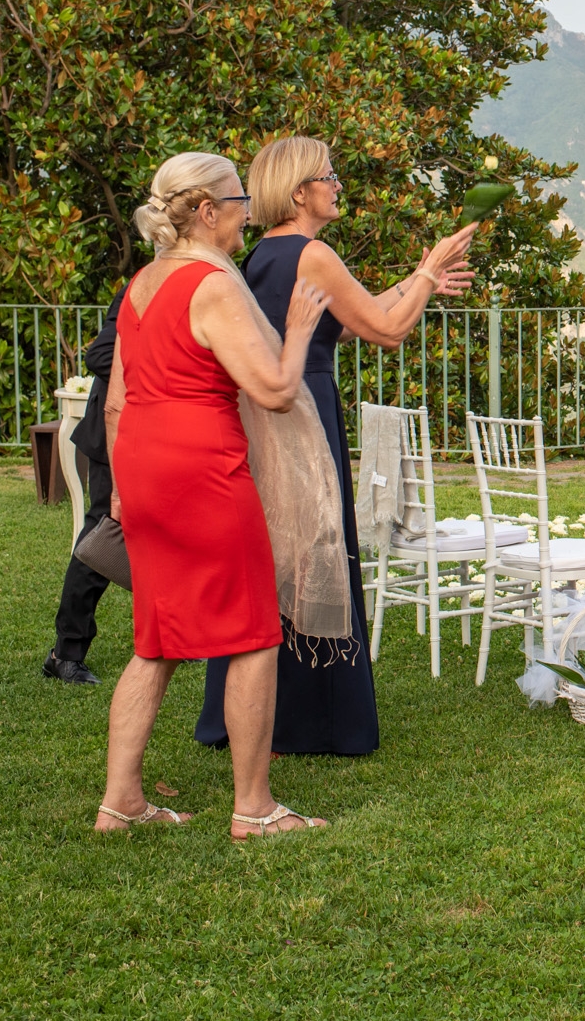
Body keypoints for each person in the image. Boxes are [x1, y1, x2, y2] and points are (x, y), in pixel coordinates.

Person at [196, 136, 475, 756]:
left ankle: (241, 713)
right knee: (317, 544)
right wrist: (428, 274)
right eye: (329, 175)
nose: (338, 183)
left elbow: (348, 321)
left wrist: (415, 278)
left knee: (275, 553)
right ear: (300, 192)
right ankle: (313, 721)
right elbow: (388, 331)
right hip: (307, 409)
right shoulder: (312, 252)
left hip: (274, 409)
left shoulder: (265, 254)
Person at [97, 151, 346, 837]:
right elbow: (272, 389)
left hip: (144, 471)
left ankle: (120, 801)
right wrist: (297, 332)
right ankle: (254, 807)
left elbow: (117, 403)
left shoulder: (142, 284)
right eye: (238, 200)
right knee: (253, 635)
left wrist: (121, 488)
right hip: (202, 470)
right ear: (207, 210)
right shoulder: (213, 281)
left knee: (156, 641)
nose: (246, 212)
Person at [43, 281, 130, 686]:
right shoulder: (142, 285)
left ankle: (170, 641)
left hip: (155, 435)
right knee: (102, 538)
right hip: (116, 434)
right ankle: (65, 653)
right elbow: (100, 355)